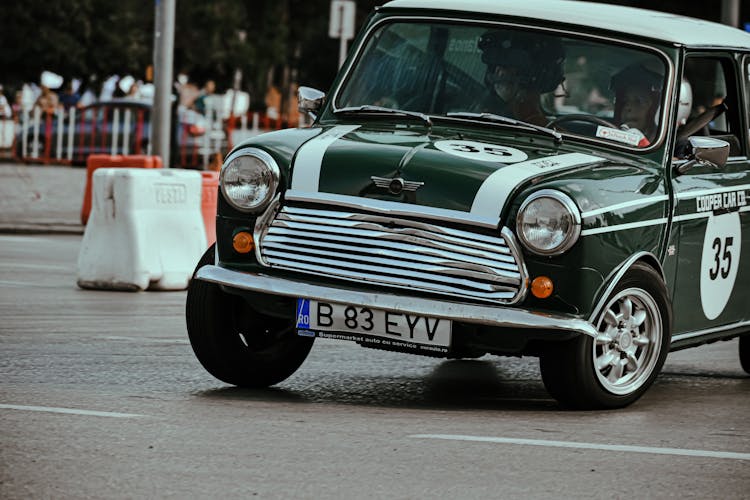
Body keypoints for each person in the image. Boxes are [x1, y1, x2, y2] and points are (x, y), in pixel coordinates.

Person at [476, 29, 566, 126]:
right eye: (495, 66)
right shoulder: (478, 117)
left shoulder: (479, 116)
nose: (499, 71)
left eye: (507, 65)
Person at [610, 62, 664, 145]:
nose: (628, 107)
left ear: (655, 108)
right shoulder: (606, 133)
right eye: (625, 101)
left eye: (639, 101)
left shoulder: (665, 144)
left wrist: (643, 144)